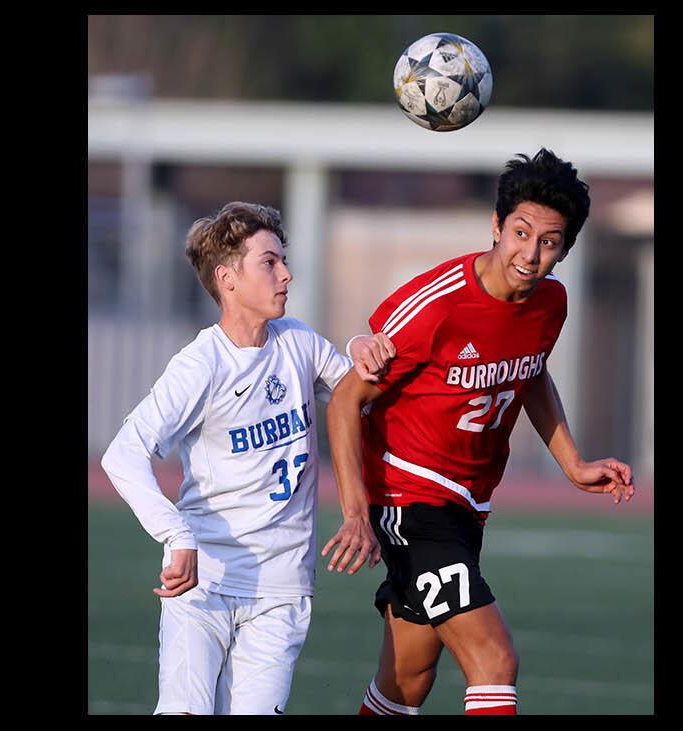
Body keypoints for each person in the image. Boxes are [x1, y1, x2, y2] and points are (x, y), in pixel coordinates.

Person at [321, 149, 635, 716]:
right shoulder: (437, 305)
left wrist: (573, 463)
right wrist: (355, 511)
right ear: (495, 225)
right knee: (494, 661)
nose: (531, 253)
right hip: (410, 497)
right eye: (520, 232)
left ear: (565, 248)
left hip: (467, 504)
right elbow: (346, 399)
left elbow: (532, 372)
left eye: (550, 242)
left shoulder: (551, 303)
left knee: (408, 680)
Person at [100, 201, 394, 715]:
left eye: (283, 261)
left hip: (282, 588)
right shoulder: (200, 365)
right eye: (270, 262)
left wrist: (359, 346)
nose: (287, 274)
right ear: (226, 277)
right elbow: (122, 455)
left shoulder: (299, 342)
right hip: (204, 582)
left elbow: (360, 396)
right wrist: (176, 535)